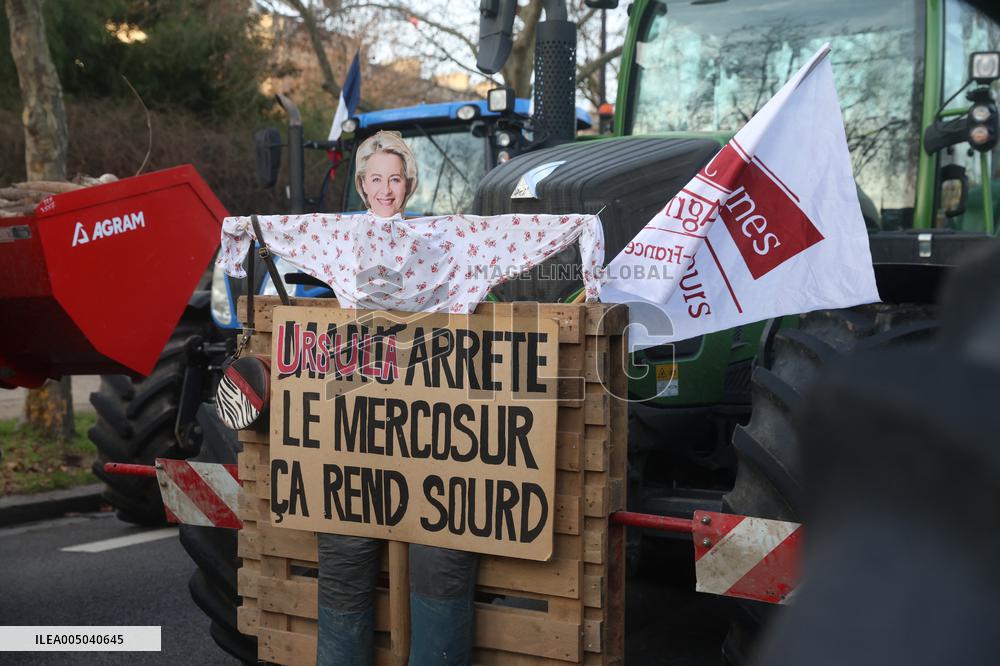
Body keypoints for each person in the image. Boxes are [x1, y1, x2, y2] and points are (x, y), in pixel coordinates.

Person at [316, 131, 480, 666]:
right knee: (345, 543)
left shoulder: (437, 240)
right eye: (376, 178)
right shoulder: (339, 239)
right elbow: (278, 232)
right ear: (362, 184)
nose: (386, 188)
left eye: (396, 178)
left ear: (409, 183)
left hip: (429, 409)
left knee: (440, 542)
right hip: (360, 411)